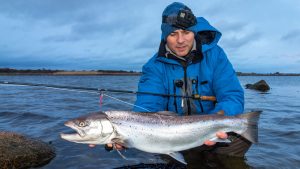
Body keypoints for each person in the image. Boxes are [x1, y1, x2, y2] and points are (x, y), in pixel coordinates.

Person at [104, 2, 250, 158]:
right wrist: (125, 136)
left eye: (186, 32)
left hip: (211, 131)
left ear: (194, 32)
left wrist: (216, 122)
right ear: (165, 36)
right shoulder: (153, 67)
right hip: (170, 138)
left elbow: (232, 96)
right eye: (173, 34)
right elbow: (147, 107)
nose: (181, 40)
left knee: (241, 134)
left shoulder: (215, 55)